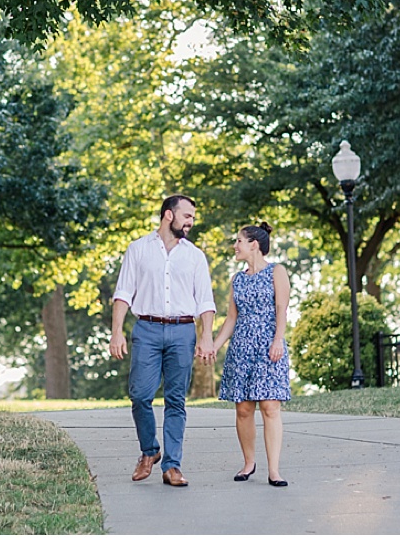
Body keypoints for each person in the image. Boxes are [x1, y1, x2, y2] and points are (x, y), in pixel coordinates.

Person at [110, 195, 216, 487]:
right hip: (147, 329)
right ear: (169, 215)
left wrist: (206, 336)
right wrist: (116, 331)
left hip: (183, 331)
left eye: (192, 217)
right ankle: (149, 451)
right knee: (140, 395)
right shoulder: (138, 249)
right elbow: (123, 293)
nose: (191, 222)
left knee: (175, 401)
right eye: (187, 216)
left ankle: (172, 466)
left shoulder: (195, 256)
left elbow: (205, 301)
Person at [212, 222, 291, 487]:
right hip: (242, 347)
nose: (235, 246)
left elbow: (281, 308)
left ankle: (274, 471)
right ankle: (248, 463)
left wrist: (278, 340)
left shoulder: (276, 271)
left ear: (253, 244)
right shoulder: (237, 279)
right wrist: (215, 345)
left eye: (239, 241)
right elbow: (231, 318)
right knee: (244, 409)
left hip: (269, 345)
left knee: (270, 406)